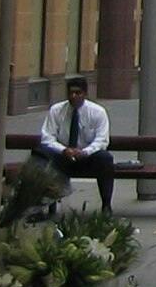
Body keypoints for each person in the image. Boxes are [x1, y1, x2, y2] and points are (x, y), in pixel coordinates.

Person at [39, 76, 115, 211]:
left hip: (87, 158)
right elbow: (47, 137)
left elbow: (102, 140)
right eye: (71, 93)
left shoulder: (97, 112)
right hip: (63, 157)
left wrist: (85, 151)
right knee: (42, 155)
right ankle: (47, 206)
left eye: (78, 93)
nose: (73, 96)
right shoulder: (57, 110)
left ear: (85, 94)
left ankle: (106, 205)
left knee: (105, 159)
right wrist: (63, 150)